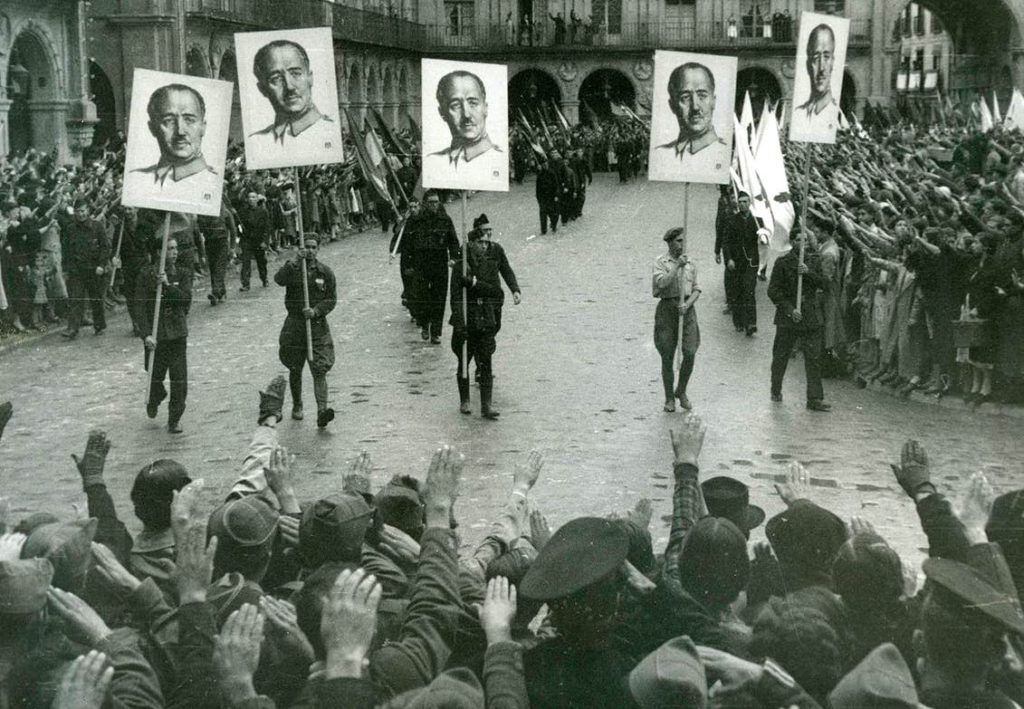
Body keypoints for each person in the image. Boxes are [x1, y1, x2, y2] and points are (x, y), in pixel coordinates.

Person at [450, 214, 519, 419]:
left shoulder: (492, 257)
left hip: (486, 317)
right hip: (467, 319)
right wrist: (460, 322)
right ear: (471, 243)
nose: (484, 246)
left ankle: (486, 405)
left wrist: (474, 285)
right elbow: (455, 296)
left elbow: (497, 291)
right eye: (480, 242)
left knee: (487, 360)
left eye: (486, 242)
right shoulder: (461, 264)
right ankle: (465, 400)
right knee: (464, 360)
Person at [274, 234, 337, 428]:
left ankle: (321, 411)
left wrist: (316, 311)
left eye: (313, 247)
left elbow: (331, 298)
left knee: (319, 369)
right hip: (295, 325)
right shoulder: (293, 268)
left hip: (316, 326)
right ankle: (297, 404)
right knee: (295, 367)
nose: (309, 250)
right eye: (306, 247)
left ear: (318, 249)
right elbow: (279, 279)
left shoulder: (325, 272)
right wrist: (295, 260)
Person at [767, 229, 831, 411]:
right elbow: (773, 291)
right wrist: (789, 310)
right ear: (792, 242)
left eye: (805, 240)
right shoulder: (782, 263)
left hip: (810, 316)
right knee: (781, 355)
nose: (802, 243)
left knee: (813, 358)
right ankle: (776, 388)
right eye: (797, 239)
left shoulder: (813, 262)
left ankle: (815, 398)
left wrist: (809, 273)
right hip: (788, 318)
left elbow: (825, 284)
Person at [123, 84, 220, 201]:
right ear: (152, 128)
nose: (180, 131)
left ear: (203, 127)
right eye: (169, 121)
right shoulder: (135, 181)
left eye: (189, 120)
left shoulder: (216, 186)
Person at [246, 39, 338, 157]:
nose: (289, 87)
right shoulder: (255, 143)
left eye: (296, 74)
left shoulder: (333, 134)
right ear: (262, 89)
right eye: (276, 79)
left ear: (310, 78)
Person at [137, 236, 191, 433]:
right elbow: (140, 307)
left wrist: (168, 285)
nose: (174, 252)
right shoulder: (145, 275)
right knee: (153, 375)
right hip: (155, 336)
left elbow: (186, 300)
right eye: (169, 249)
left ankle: (174, 419)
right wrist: (145, 335)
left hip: (176, 334)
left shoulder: (183, 273)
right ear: (159, 252)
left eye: (175, 248)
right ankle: (155, 396)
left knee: (179, 380)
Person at [651, 62, 731, 183]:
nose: (695, 107)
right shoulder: (659, 155)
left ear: (714, 101)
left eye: (702, 96)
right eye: (685, 97)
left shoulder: (727, 155)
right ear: (672, 105)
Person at [423, 71, 506, 186]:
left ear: (485, 108)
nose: (466, 114)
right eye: (455, 105)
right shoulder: (432, 162)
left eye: (473, 103)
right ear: (442, 112)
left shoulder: (500, 159)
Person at [653, 226, 701, 412]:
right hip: (667, 309)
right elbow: (661, 284)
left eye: (683, 241)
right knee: (667, 354)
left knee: (689, 351)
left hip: (687, 310)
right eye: (679, 241)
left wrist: (687, 305)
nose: (682, 244)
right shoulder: (660, 262)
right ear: (670, 242)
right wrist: (677, 267)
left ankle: (681, 391)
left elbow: (697, 288)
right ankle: (669, 398)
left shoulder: (691, 263)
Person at [404, 190, 460, 343]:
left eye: (436, 202)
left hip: (439, 262)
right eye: (431, 202)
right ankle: (424, 325)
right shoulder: (416, 221)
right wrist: (408, 265)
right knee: (422, 297)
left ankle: (435, 332)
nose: (434, 205)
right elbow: (407, 245)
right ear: (425, 204)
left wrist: (454, 257)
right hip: (421, 263)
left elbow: (453, 241)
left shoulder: (445, 220)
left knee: (439, 298)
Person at [61, 199, 110, 339]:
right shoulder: (70, 229)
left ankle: (99, 324)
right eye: (77, 211)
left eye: (83, 211)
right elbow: (66, 251)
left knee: (96, 298)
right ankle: (72, 329)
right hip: (77, 270)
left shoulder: (97, 226)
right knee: (75, 299)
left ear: (88, 210)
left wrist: (101, 265)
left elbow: (105, 247)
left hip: (94, 269)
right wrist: (66, 269)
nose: (80, 214)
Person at [790, 23, 840, 139]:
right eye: (816, 58)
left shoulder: (835, 114)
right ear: (808, 64)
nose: (821, 67)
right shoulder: (799, 114)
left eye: (826, 57)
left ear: (833, 62)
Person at [723, 192, 760, 336]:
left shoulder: (757, 221)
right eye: (740, 202)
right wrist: (729, 259)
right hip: (737, 262)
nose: (743, 204)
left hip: (751, 262)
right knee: (737, 291)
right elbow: (726, 243)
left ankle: (751, 323)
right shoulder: (732, 221)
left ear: (750, 203)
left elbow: (764, 237)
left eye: (745, 201)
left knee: (749, 290)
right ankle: (738, 321)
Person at [197, 196, 236, 305]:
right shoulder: (205, 213)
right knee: (213, 268)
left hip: (222, 242)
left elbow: (233, 231)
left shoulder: (226, 213)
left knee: (219, 267)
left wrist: (232, 247)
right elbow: (200, 227)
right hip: (209, 243)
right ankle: (221, 292)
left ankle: (215, 292)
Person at [237, 190, 270, 291]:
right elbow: (239, 226)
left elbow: (267, 227)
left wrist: (265, 241)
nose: (251, 199)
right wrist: (240, 238)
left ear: (257, 199)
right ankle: (245, 283)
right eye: (249, 197)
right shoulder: (243, 211)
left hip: (259, 240)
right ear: (247, 199)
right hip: (247, 240)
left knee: (261, 261)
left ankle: (264, 278)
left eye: (254, 197)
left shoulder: (263, 211)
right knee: (246, 262)